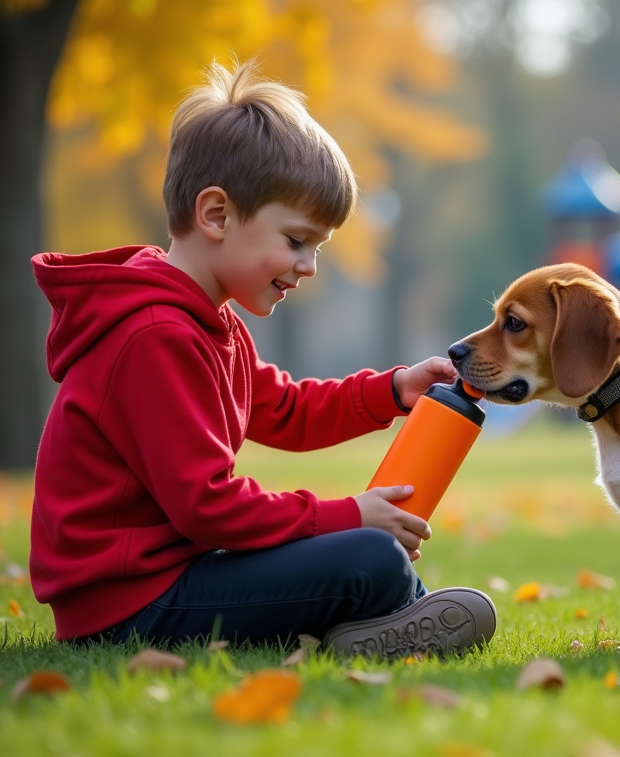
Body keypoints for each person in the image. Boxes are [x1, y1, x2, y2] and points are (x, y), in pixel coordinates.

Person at [28, 59, 495, 658]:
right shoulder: (153, 336)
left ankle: (396, 618)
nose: (308, 266)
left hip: (170, 581)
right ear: (216, 215)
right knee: (369, 553)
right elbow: (206, 506)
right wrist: (347, 515)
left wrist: (393, 390)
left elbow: (287, 411)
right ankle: (402, 616)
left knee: (368, 554)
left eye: (317, 248)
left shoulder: (211, 323)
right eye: (297, 241)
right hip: (130, 606)